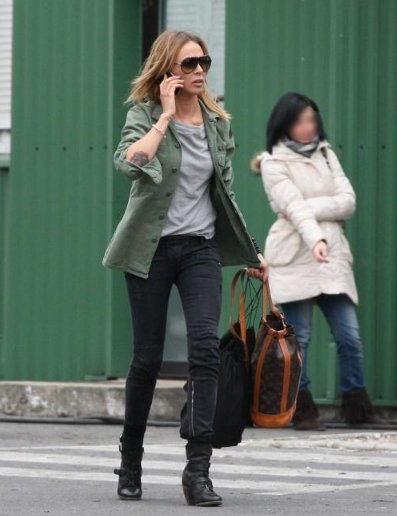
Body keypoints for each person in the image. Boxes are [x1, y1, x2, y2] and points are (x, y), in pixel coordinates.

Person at [102, 29, 268, 506]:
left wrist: (252, 252)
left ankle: (198, 471)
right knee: (147, 360)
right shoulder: (144, 114)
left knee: (205, 351)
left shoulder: (217, 122)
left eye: (204, 62)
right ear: (168, 71)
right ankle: (131, 459)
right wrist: (165, 117)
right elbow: (130, 163)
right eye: (189, 63)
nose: (199, 71)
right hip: (150, 250)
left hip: (199, 249)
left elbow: (224, 195)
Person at [251, 92, 380, 431]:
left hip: (331, 256)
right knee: (300, 339)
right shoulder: (272, 162)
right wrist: (315, 237)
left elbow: (347, 201)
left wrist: (308, 210)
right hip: (295, 255)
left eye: (311, 119)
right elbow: (292, 206)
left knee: (349, 336)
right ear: (284, 124)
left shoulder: (326, 153)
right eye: (299, 121)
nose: (307, 127)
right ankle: (302, 410)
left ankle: (356, 405)